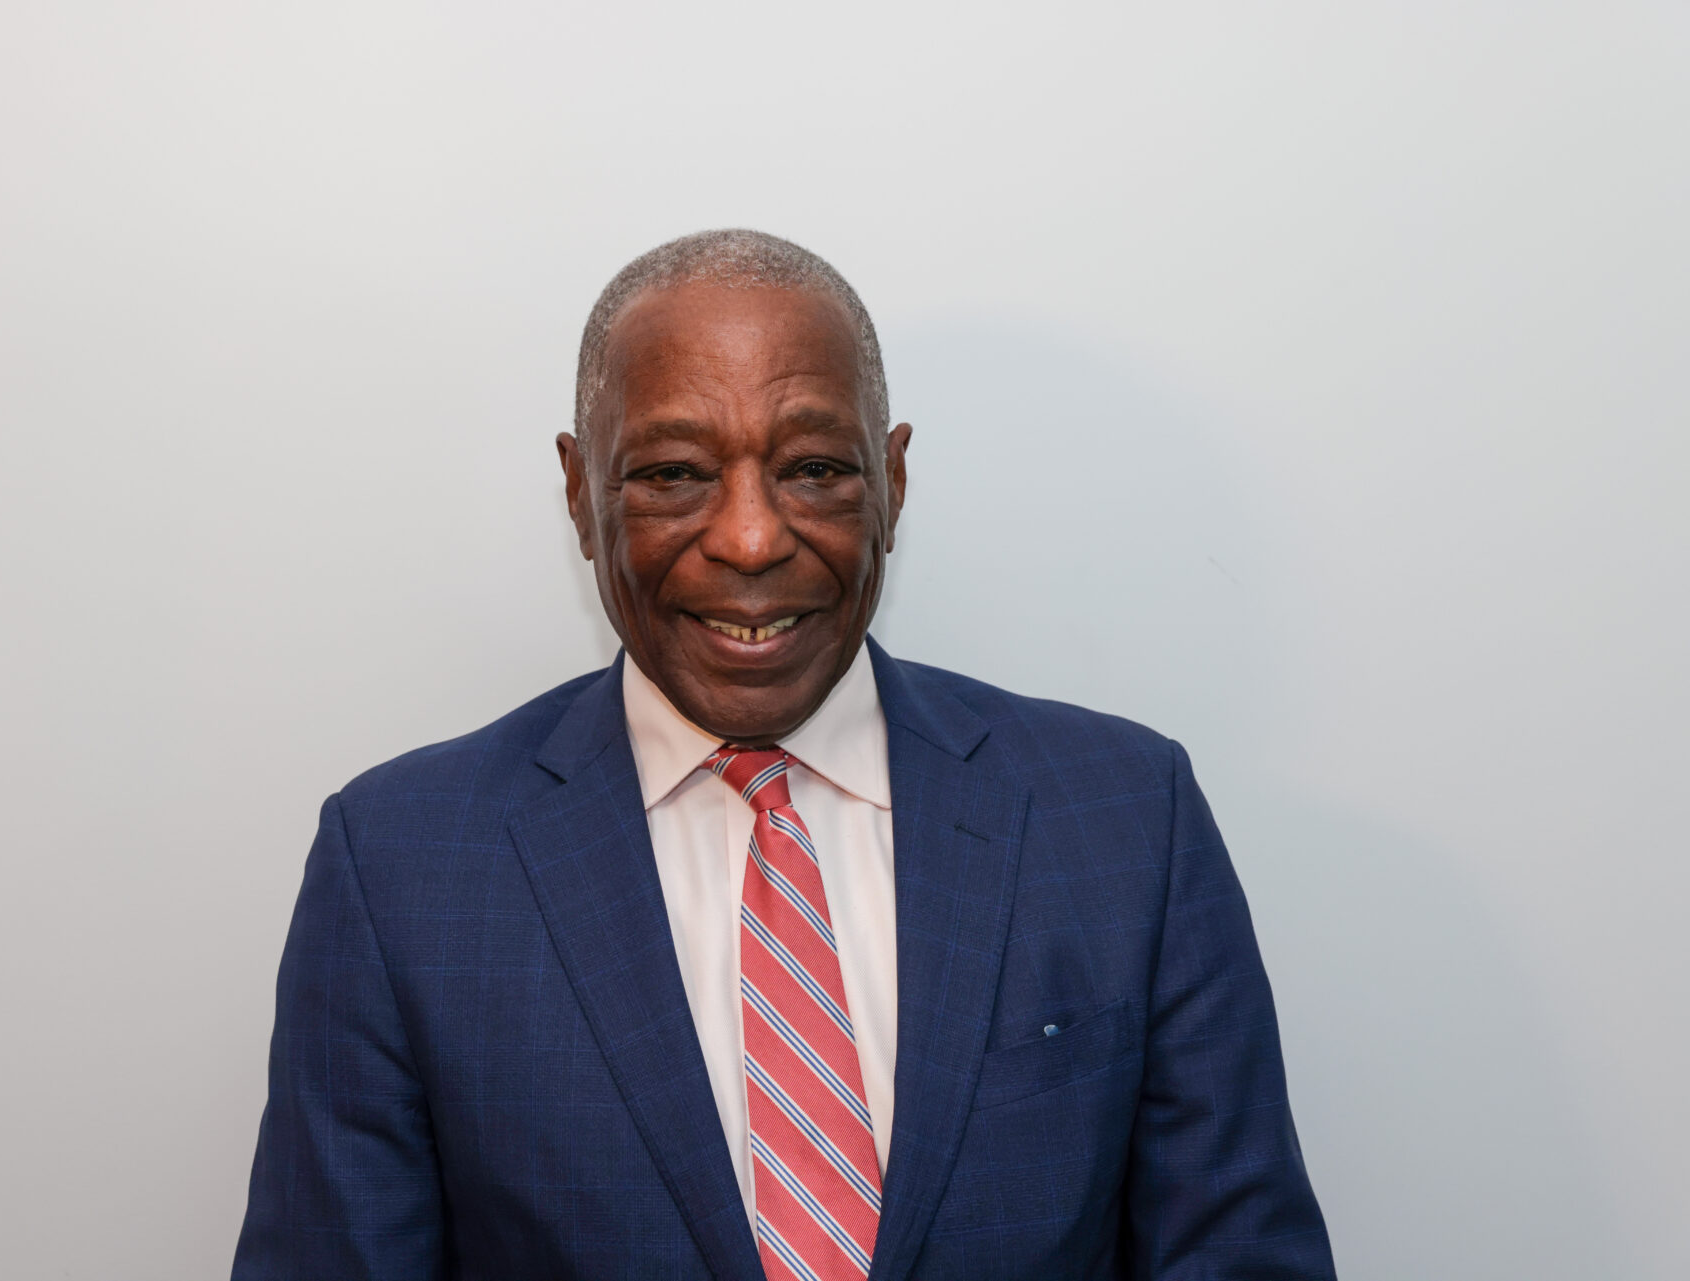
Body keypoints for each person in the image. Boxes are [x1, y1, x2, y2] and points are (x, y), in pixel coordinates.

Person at [231, 229, 1335, 1280]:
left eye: (813, 468)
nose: (752, 539)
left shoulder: (1127, 819)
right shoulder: (400, 867)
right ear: (579, 493)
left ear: (892, 482)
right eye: (674, 474)